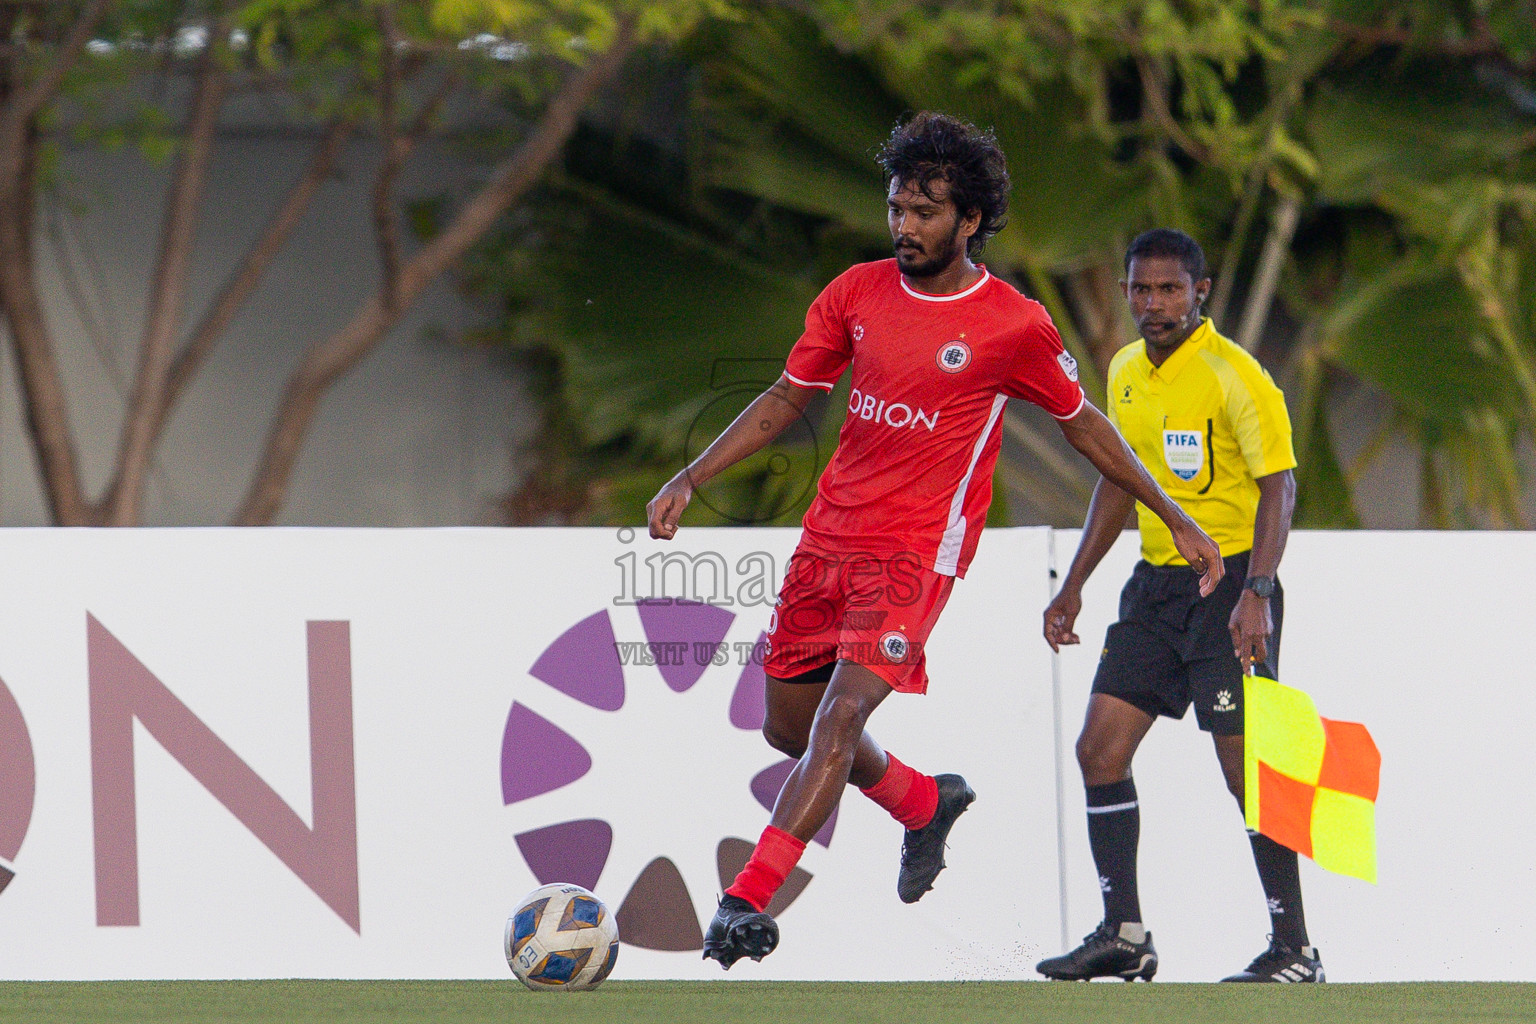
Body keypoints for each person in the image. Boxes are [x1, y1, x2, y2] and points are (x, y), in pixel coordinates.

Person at [646, 114, 1223, 970]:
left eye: (925, 212)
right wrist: (692, 476)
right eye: (897, 208)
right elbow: (788, 396)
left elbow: (1085, 427)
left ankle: (745, 901)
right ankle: (923, 801)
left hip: (915, 553)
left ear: (970, 219)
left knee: (842, 714)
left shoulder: (1013, 324)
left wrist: (1173, 514)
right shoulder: (856, 292)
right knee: (790, 730)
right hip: (827, 541)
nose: (904, 226)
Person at [1037, 228, 1318, 983]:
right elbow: (1118, 480)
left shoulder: (1237, 376)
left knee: (1245, 771)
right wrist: (1074, 583)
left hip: (1231, 588)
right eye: (1141, 289)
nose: (1154, 303)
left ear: (1201, 293)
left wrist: (1258, 592)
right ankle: (1124, 934)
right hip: (1156, 587)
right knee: (1099, 750)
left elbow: (1280, 488)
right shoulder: (1126, 370)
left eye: (1169, 289)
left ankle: (1296, 948)